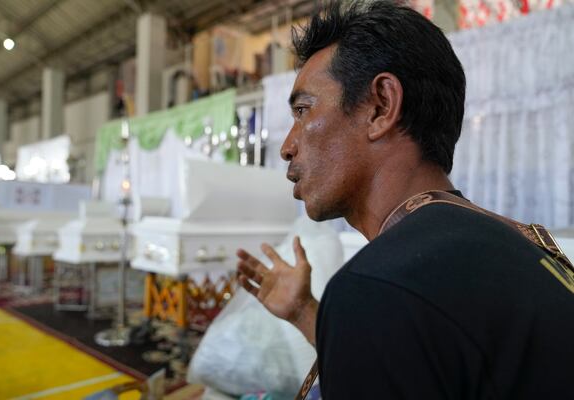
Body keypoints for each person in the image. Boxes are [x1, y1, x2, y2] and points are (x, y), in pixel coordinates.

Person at [237, 1, 574, 399]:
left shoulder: (377, 288)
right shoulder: (519, 246)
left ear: (381, 106)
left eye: (303, 110)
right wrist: (304, 312)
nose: (288, 147)